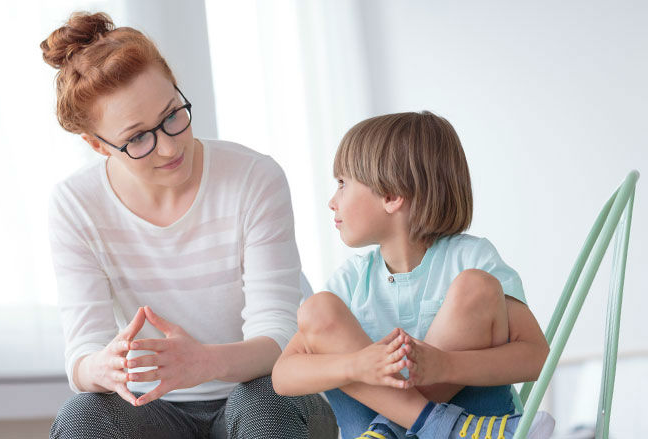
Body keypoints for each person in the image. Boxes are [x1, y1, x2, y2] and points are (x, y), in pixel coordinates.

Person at [41, 11, 337, 439]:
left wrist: (204, 363)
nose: (169, 146)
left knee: (264, 402)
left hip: (263, 393)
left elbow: (279, 337)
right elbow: (82, 355)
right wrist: (101, 366)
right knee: (84, 414)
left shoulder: (253, 178)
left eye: (173, 114)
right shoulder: (75, 205)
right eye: (139, 138)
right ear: (97, 145)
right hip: (154, 410)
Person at [272, 112, 555, 438]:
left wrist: (445, 364)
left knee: (475, 286)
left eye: (342, 183)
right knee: (317, 309)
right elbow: (283, 376)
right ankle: (440, 426)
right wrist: (359, 364)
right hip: (450, 429)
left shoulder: (470, 260)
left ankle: (393, 430)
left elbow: (537, 358)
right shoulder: (352, 281)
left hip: (472, 422)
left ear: (391, 196)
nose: (332, 201)